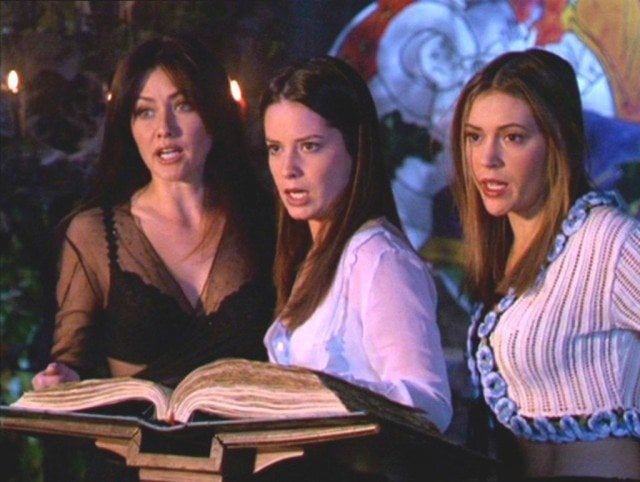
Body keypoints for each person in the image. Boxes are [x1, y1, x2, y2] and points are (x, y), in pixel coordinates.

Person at [30, 35, 275, 479]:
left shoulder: (265, 223)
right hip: (140, 467)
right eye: (145, 111)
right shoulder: (95, 233)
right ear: (127, 125)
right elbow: (69, 361)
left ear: (214, 113)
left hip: (252, 466)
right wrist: (59, 380)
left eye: (183, 105)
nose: (164, 128)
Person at [257, 55, 452, 479]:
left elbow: (429, 403)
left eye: (310, 146)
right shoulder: (311, 258)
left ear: (354, 147)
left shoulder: (377, 256)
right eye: (276, 149)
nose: (288, 169)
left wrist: (318, 395)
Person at [451, 48, 640, 481]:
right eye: (474, 136)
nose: (487, 158)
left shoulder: (607, 241)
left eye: (513, 137)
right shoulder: (507, 250)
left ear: (558, 142)